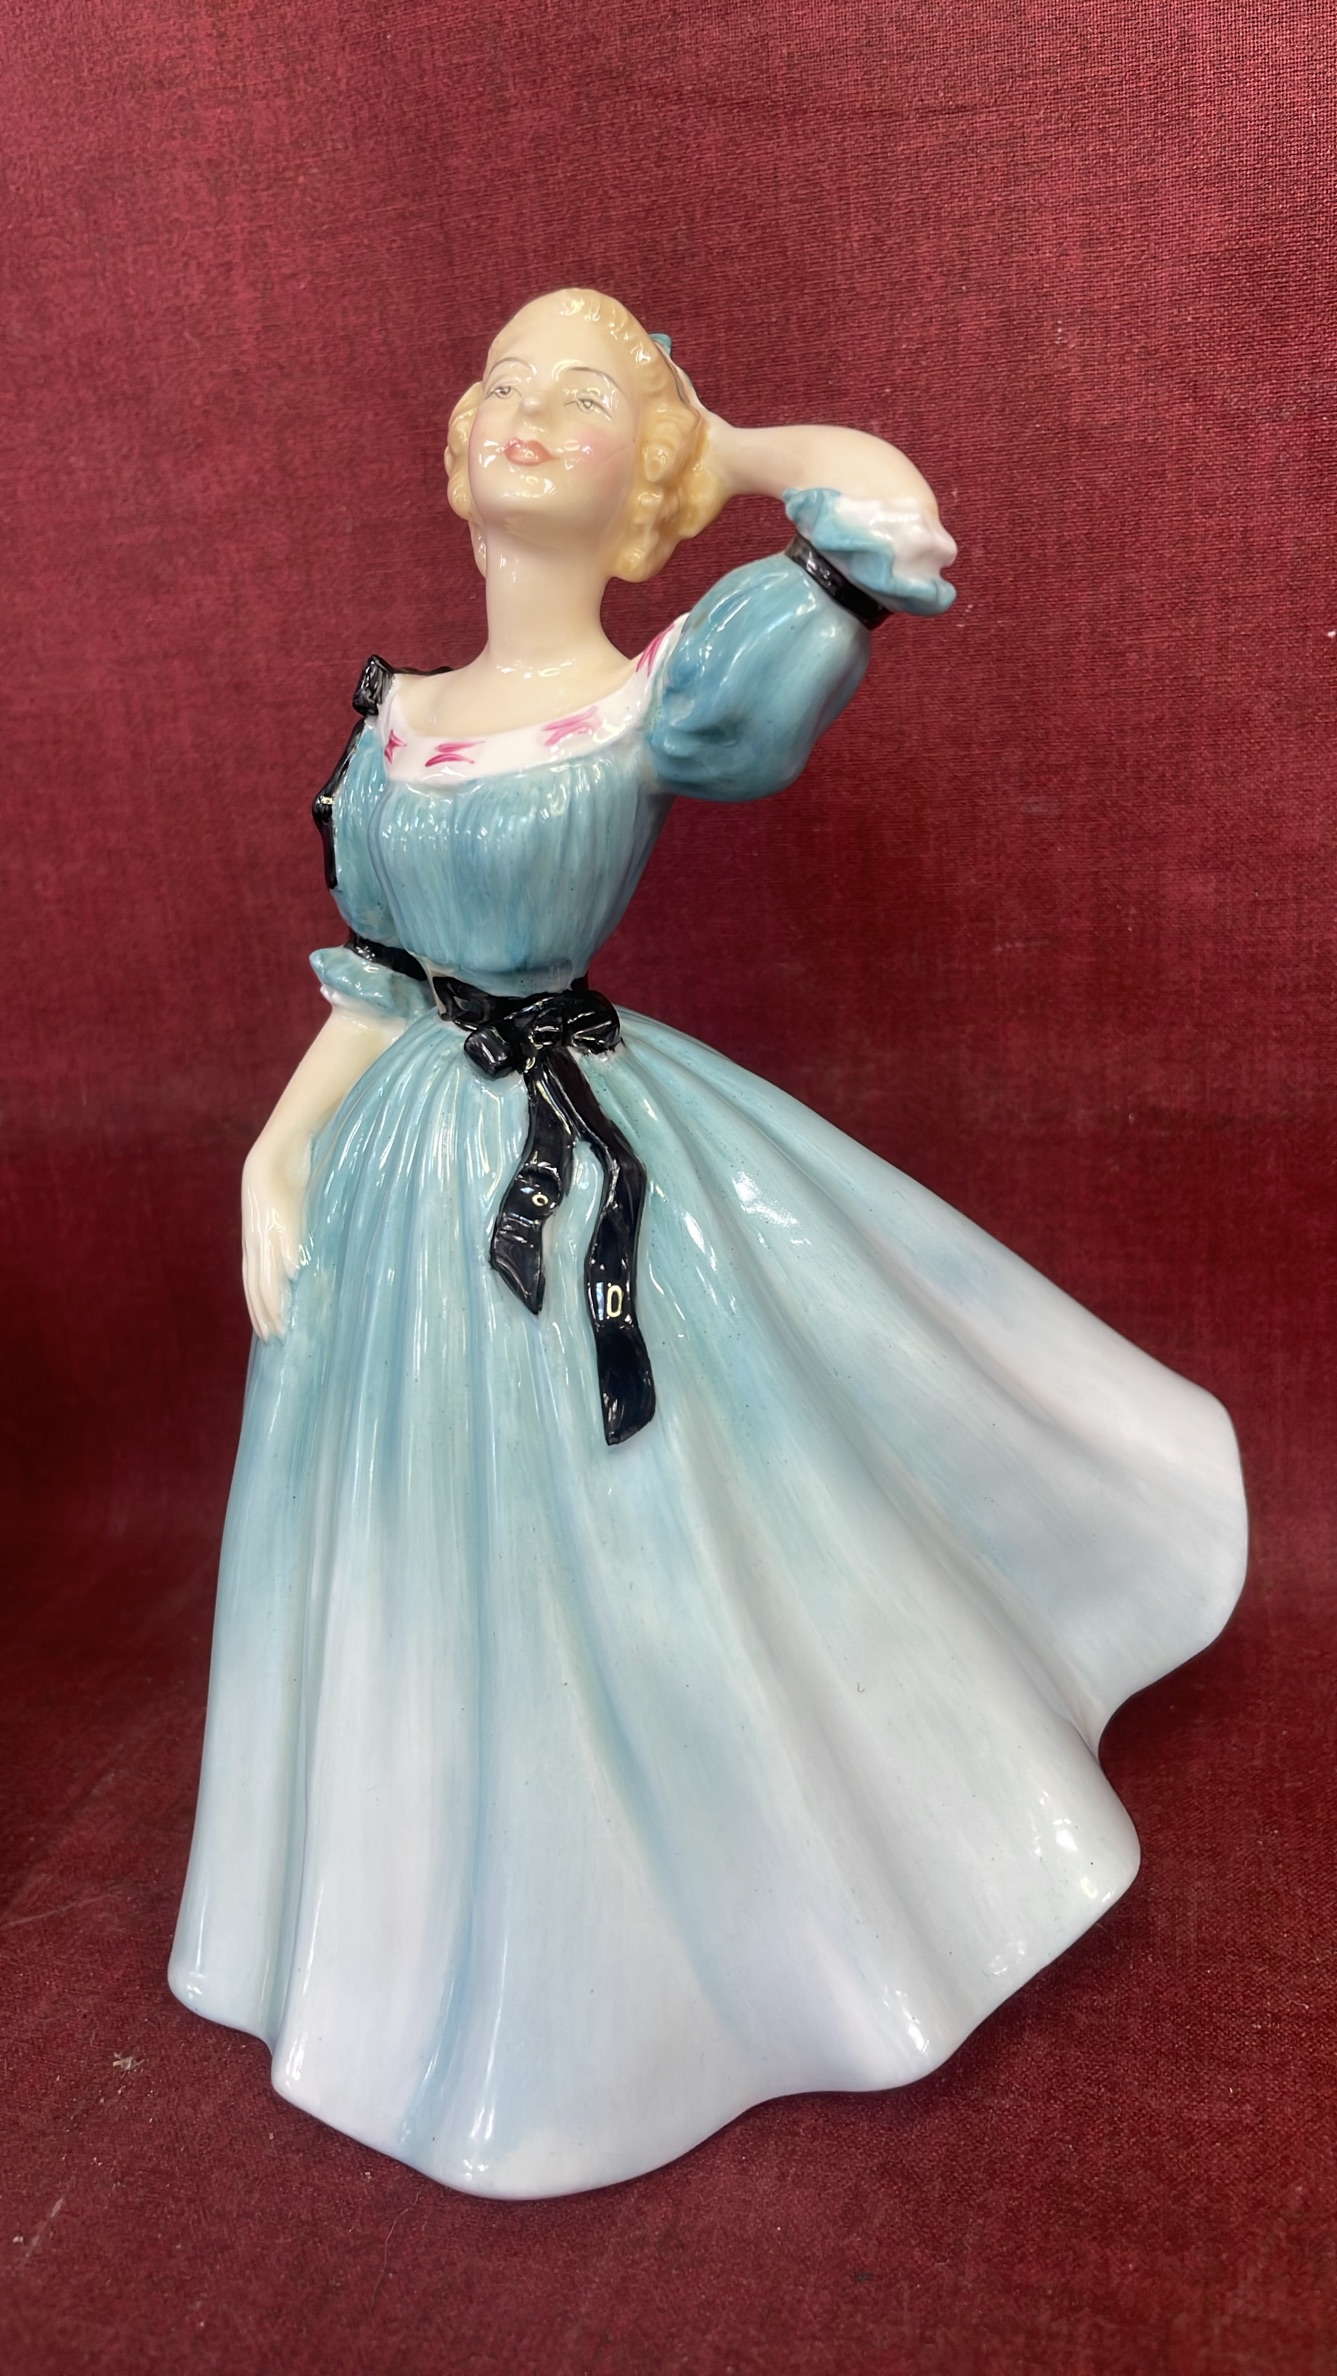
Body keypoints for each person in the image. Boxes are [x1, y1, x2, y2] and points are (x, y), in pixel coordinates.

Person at [170, 288, 1246, 2199]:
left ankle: (687, 1913)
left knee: (646, 1529)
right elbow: (381, 978)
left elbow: (880, 515)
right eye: (502, 380)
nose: (525, 410)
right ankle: (408, 1924)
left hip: (587, 1166)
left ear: (640, 481)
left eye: (584, 399)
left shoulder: (653, 697)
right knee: (406, 1541)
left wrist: (719, 448)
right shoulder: (394, 720)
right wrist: (277, 1150)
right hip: (402, 1180)